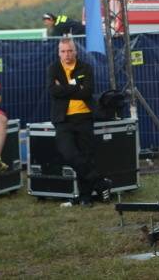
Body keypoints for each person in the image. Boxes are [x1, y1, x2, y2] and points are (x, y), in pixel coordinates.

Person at [47, 38, 112, 206]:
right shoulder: (53, 68)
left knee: (87, 155)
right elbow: (54, 92)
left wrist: (65, 88)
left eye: (69, 51)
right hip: (63, 119)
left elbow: (88, 91)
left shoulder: (86, 67)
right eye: (63, 51)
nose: (66, 54)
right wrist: (77, 87)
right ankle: (100, 182)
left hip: (84, 117)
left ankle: (85, 198)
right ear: (58, 52)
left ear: (75, 51)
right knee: (68, 153)